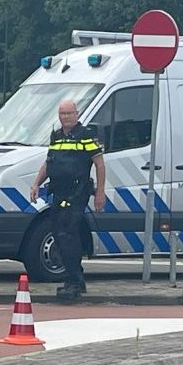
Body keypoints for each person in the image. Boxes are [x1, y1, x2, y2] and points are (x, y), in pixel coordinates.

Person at [29, 100, 106, 302]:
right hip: (59, 192)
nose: (66, 117)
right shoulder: (56, 137)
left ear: (76, 114)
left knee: (68, 234)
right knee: (59, 234)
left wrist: (100, 193)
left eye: (69, 113)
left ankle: (74, 282)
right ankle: (75, 279)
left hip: (77, 193)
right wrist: (36, 184)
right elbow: (49, 162)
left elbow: (99, 164)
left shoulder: (86, 135)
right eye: (62, 114)